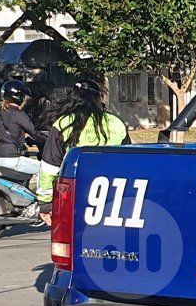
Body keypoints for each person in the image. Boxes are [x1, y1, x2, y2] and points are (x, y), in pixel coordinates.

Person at [37, 80, 131, 219]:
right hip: (113, 197)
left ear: (74, 98)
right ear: (99, 98)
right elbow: (128, 162)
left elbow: (50, 167)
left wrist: (45, 204)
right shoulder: (116, 123)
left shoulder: (64, 124)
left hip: (75, 196)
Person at [0, 80, 42, 175]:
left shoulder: (0, 114)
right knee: (44, 170)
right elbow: (36, 133)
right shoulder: (19, 114)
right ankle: (42, 191)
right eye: (24, 97)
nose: (25, 100)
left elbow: (8, 132)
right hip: (10, 157)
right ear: (20, 97)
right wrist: (52, 138)